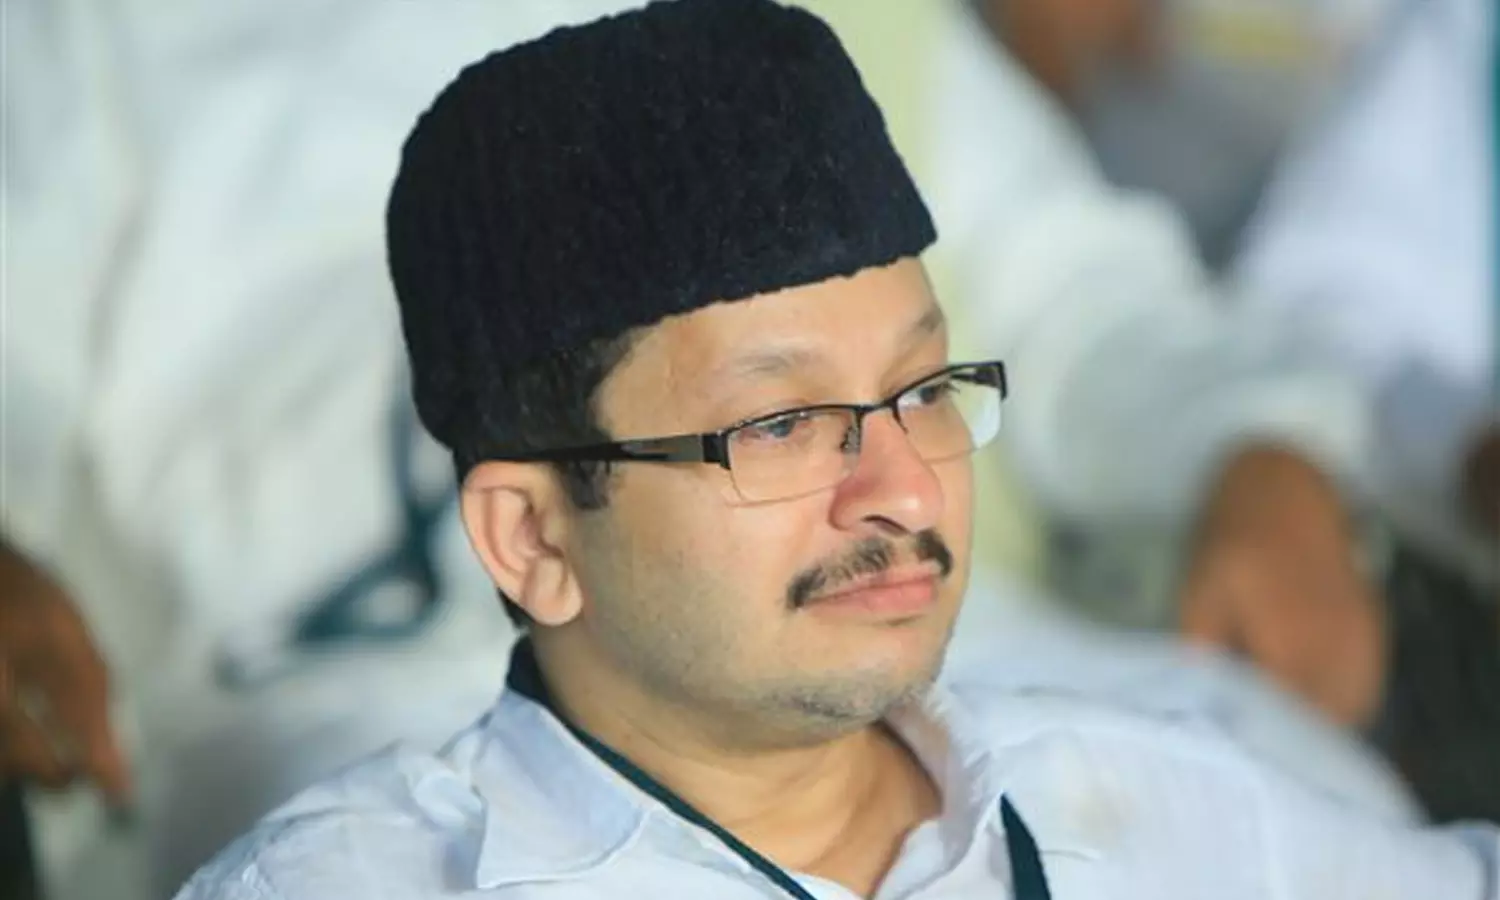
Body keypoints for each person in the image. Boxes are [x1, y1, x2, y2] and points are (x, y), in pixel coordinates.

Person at [177, 3, 1499, 897]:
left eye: (924, 390)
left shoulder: (1167, 812)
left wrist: (1257, 447)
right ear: (533, 536)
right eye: (780, 425)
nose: (905, 490)